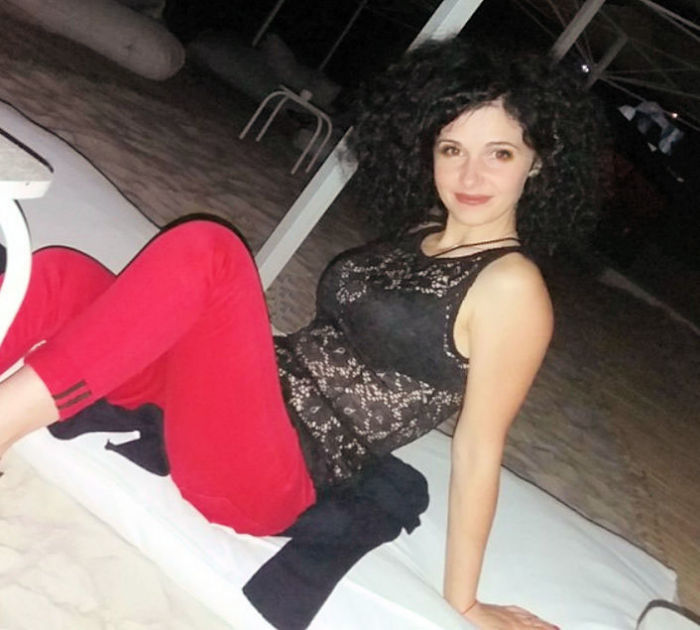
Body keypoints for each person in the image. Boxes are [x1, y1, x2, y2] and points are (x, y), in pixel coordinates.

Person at [0, 38, 602, 629]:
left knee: (211, 252)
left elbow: (478, 447)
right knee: (61, 274)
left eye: (499, 153)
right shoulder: (423, 233)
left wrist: (465, 603)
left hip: (270, 471)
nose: (470, 174)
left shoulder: (513, 289)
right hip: (230, 405)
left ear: (538, 160)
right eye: (452, 148)